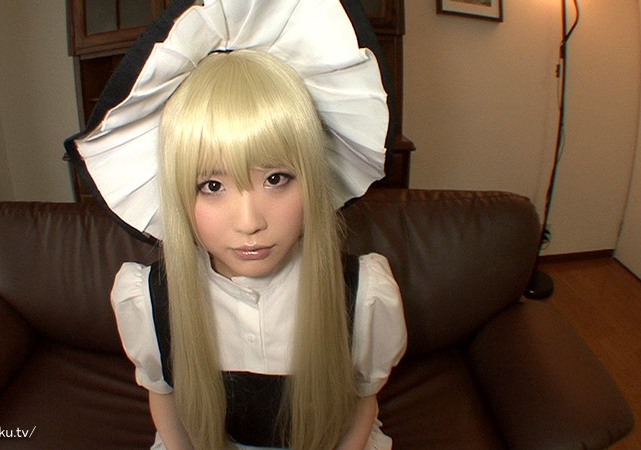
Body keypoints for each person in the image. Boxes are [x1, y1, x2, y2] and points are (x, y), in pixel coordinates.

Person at [68, 1, 406, 448]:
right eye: (211, 185)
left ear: (313, 178)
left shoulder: (363, 294)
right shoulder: (150, 301)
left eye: (276, 178)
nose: (249, 222)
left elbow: (363, 399)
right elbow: (163, 396)